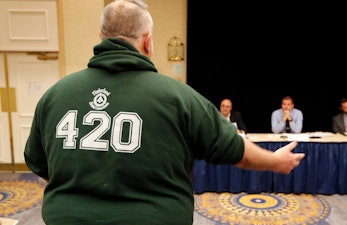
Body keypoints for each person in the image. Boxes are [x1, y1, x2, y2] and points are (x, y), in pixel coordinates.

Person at [23, 1, 305, 224]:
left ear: (100, 37)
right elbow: (236, 153)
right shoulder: (179, 96)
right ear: (148, 41)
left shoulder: (54, 95)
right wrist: (275, 162)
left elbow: (38, 163)